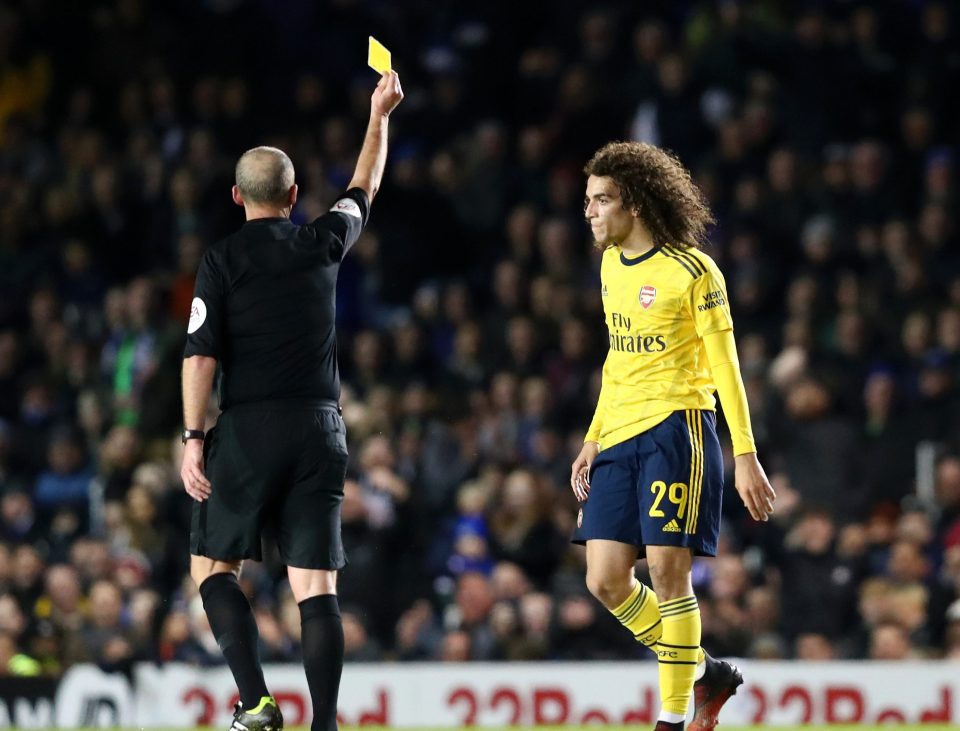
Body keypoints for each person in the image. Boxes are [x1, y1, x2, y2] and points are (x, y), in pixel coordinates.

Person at [179, 71, 404, 731]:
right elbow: (364, 188)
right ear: (295, 196)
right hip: (318, 427)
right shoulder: (319, 242)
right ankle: (326, 724)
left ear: (235, 197)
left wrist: (194, 438)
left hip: (248, 428)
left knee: (214, 569)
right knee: (316, 588)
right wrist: (378, 116)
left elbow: (199, 355)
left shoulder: (220, 261)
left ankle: (256, 702)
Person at [570, 141, 776, 731]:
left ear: (633, 203)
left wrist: (744, 454)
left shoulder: (694, 270)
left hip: (676, 429)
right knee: (605, 580)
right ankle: (705, 671)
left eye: (601, 200)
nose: (589, 212)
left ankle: (672, 718)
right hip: (619, 436)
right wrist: (592, 436)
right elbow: (617, 357)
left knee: (666, 573)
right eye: (587, 201)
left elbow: (727, 367)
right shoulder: (610, 266)